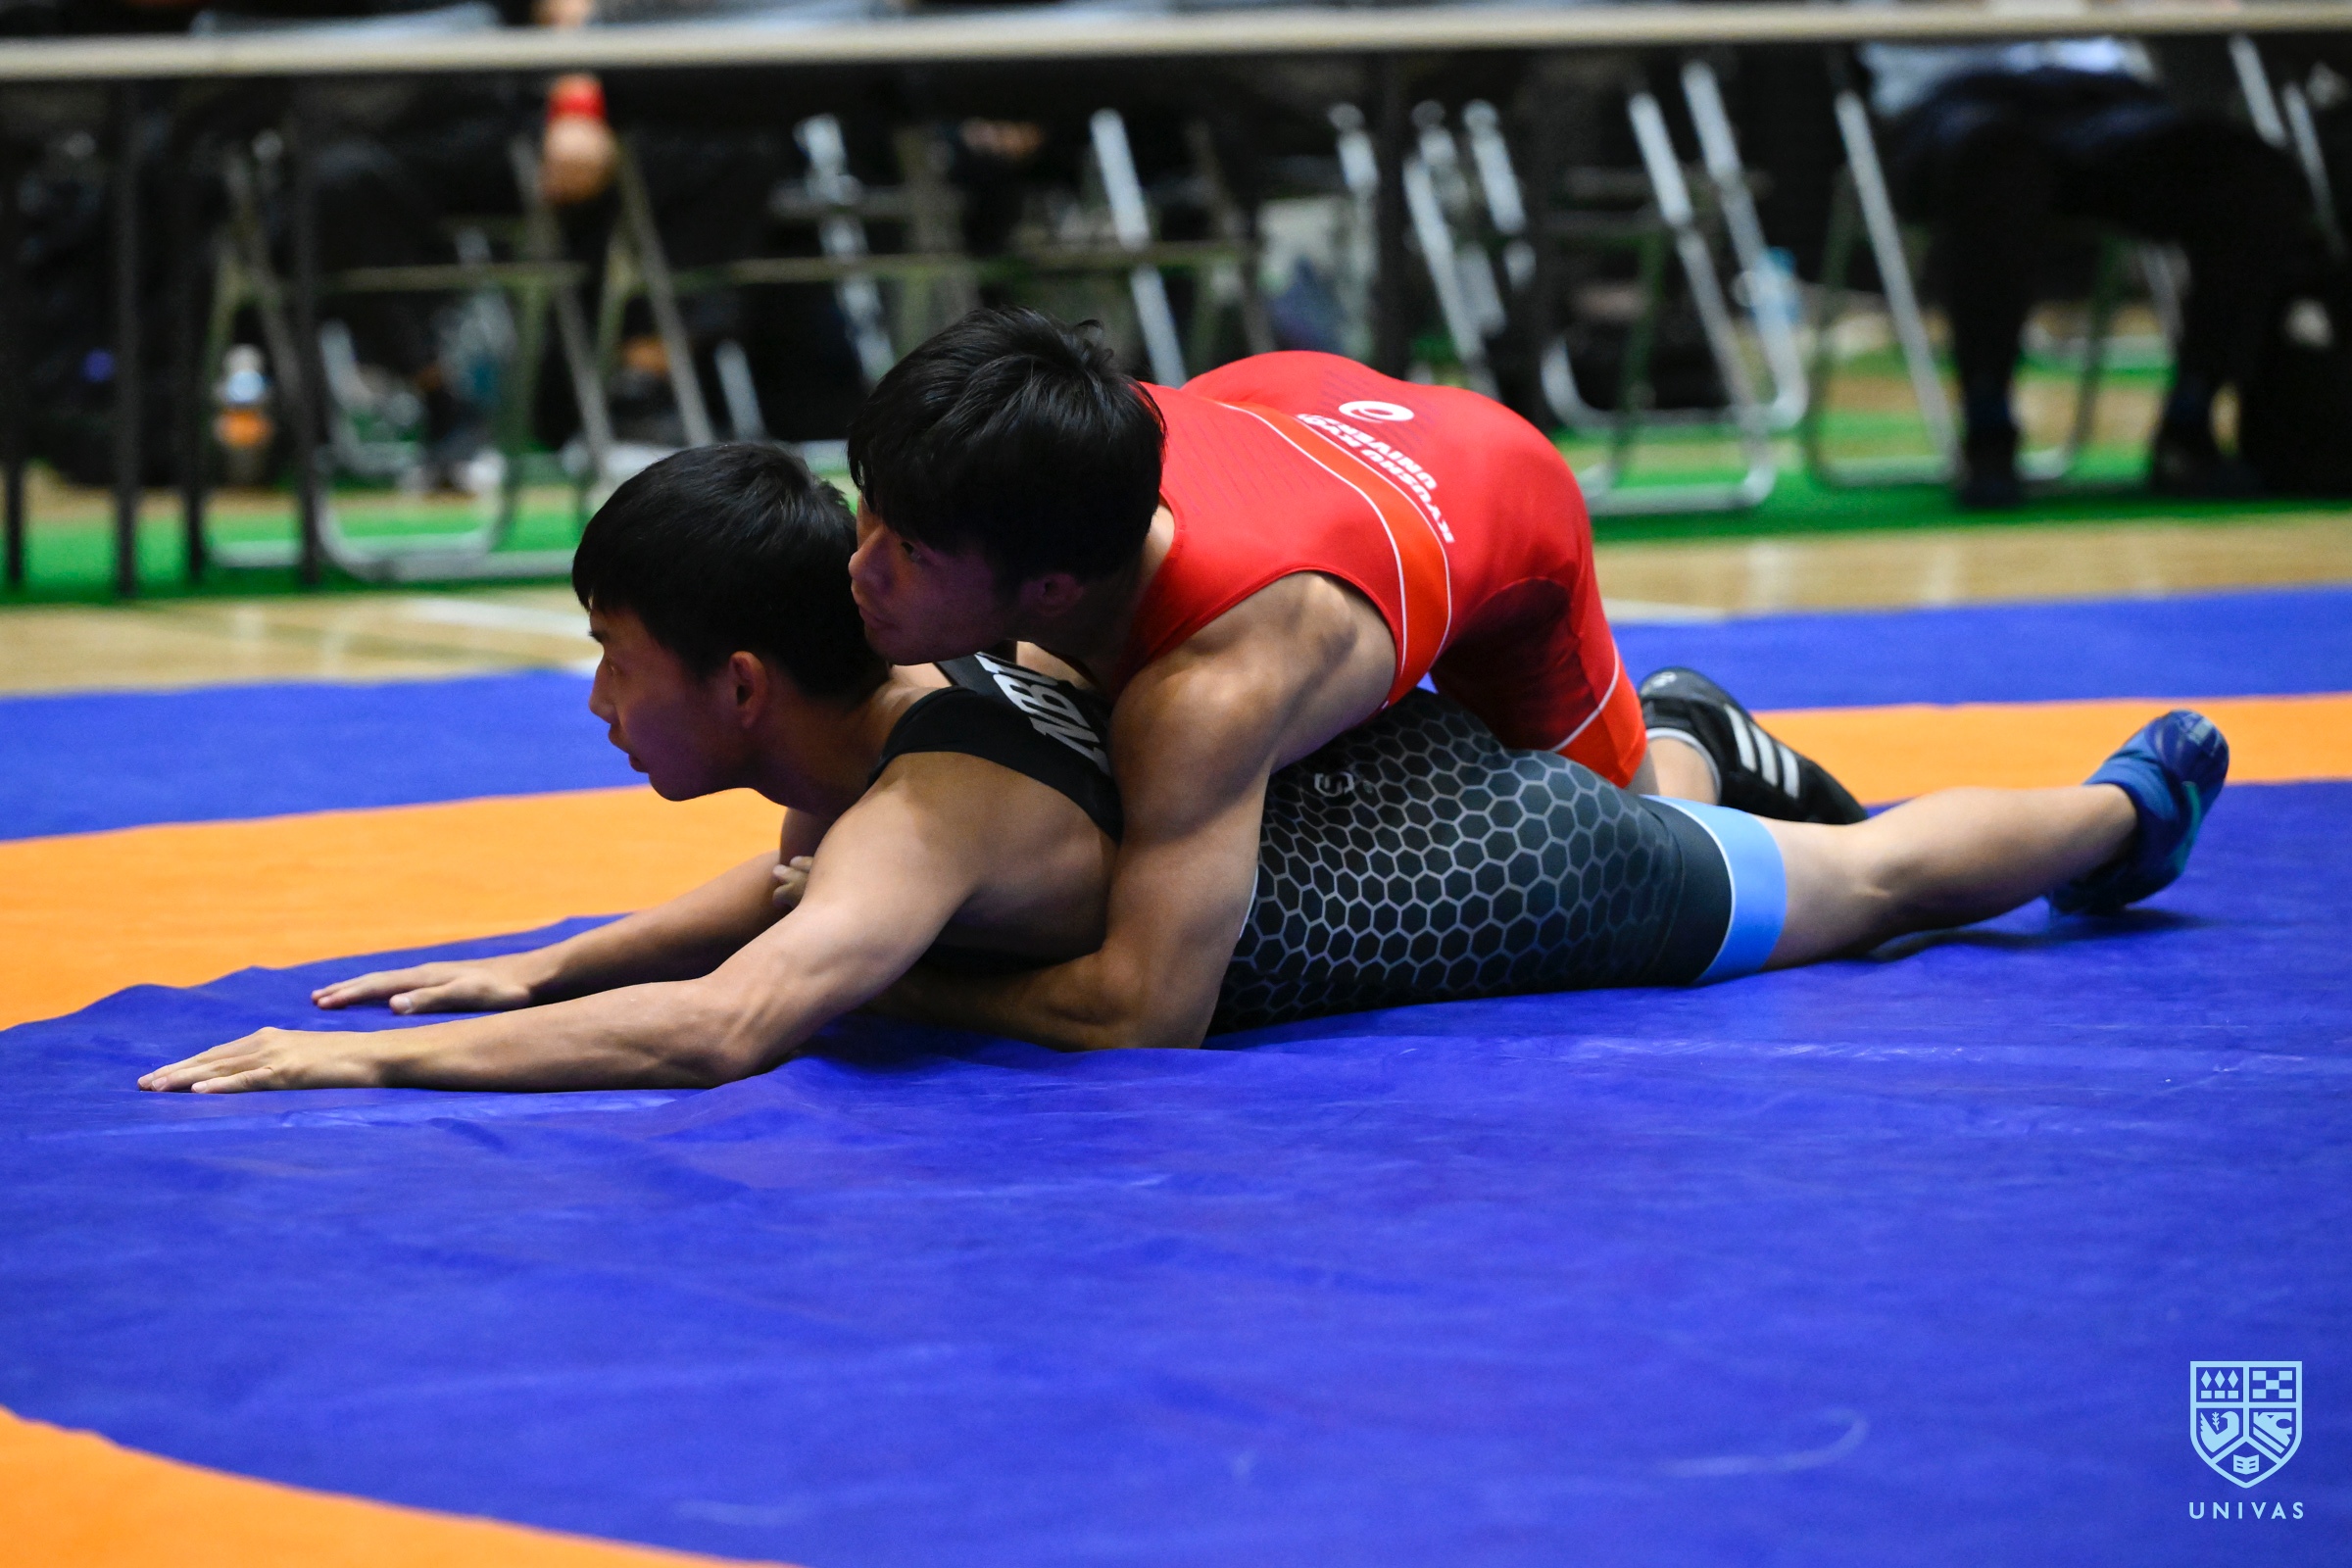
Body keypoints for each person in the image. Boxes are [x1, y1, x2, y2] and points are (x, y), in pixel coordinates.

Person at [140, 444, 2228, 1093]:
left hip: (1477, 864)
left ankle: (2119, 811)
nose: (596, 701)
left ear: (751, 681)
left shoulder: (924, 807)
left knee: (1862, 888)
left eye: (614, 658)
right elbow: (786, 904)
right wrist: (557, 954)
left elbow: (748, 1017)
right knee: (1684, 796)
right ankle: (1684, 731)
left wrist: (375, 1065)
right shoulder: (886, 704)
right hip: (1369, 803)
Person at [842, 309, 1858, 1057]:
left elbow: (1146, 1016)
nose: (861, 567)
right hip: (1274, 409)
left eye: (911, 552)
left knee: (1639, 849)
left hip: (1486, 490)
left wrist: (899, 987)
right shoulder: (1017, 463)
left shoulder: (1211, 690)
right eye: (866, 506)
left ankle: (1688, 727)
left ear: (1051, 590)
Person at [1861, 36, 2326, 506]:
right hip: (1953, 99)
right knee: (1993, 161)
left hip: (2100, 95)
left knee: (2252, 177)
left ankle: (2192, 419)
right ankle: (1988, 428)